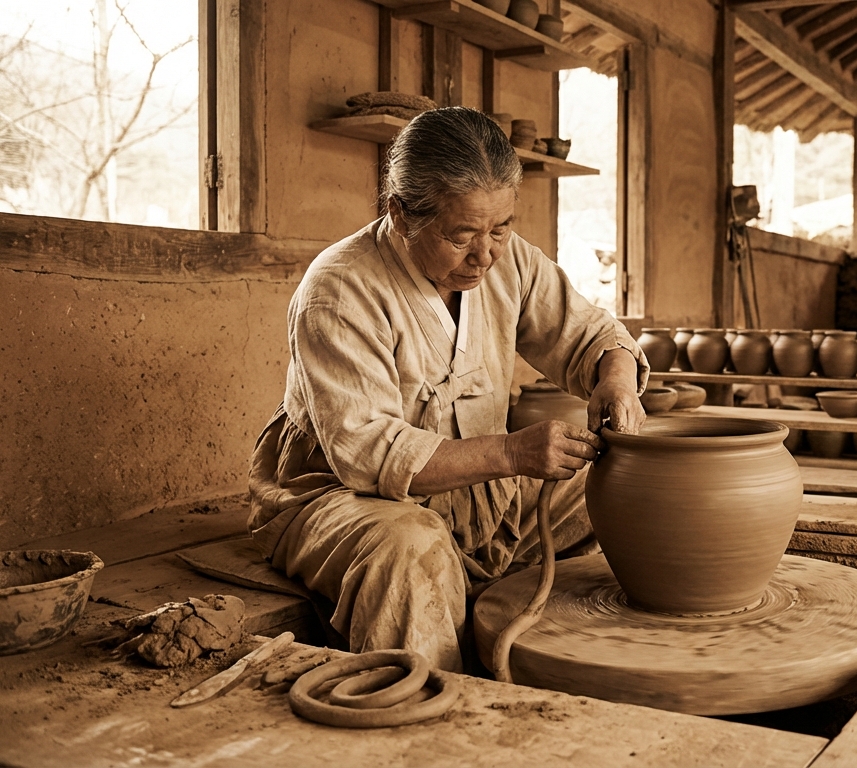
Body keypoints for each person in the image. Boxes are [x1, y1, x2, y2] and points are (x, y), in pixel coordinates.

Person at [247, 107, 647, 672]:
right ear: (401, 214)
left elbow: (591, 334)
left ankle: (545, 662)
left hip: (479, 491)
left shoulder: (508, 263)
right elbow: (367, 454)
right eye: (461, 235)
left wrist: (616, 379)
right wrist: (512, 452)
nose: (485, 254)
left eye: (501, 228)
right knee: (411, 548)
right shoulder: (340, 290)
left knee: (613, 481)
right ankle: (435, 710)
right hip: (347, 497)